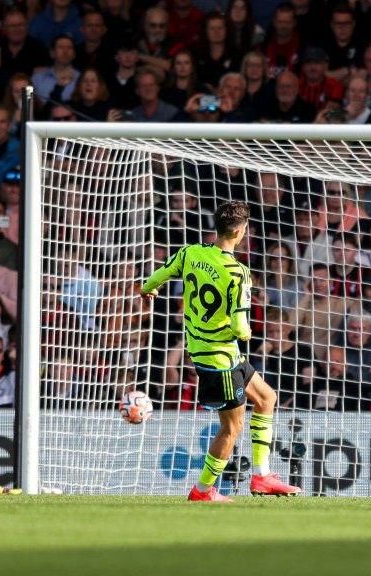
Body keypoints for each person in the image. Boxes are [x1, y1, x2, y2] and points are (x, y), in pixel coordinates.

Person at [141, 201, 300, 502]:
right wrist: (248, 331)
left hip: (217, 353)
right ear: (240, 231)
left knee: (266, 398)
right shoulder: (238, 272)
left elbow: (155, 278)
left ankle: (262, 475)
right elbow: (241, 327)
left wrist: (150, 289)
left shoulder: (190, 253)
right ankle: (202, 491)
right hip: (219, 359)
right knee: (231, 428)